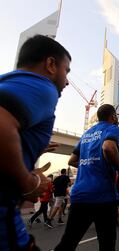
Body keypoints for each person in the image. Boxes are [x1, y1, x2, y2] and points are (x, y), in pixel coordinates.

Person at [0, 35, 71, 251]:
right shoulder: (42, 86)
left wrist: (27, 149)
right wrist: (27, 181)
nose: (67, 81)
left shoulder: (8, 81)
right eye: (66, 71)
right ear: (50, 64)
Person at [54, 104, 119, 251]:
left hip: (80, 195)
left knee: (68, 243)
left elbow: (72, 160)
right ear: (113, 116)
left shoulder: (86, 134)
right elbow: (108, 147)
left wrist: (89, 164)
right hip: (103, 195)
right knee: (107, 244)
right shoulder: (113, 129)